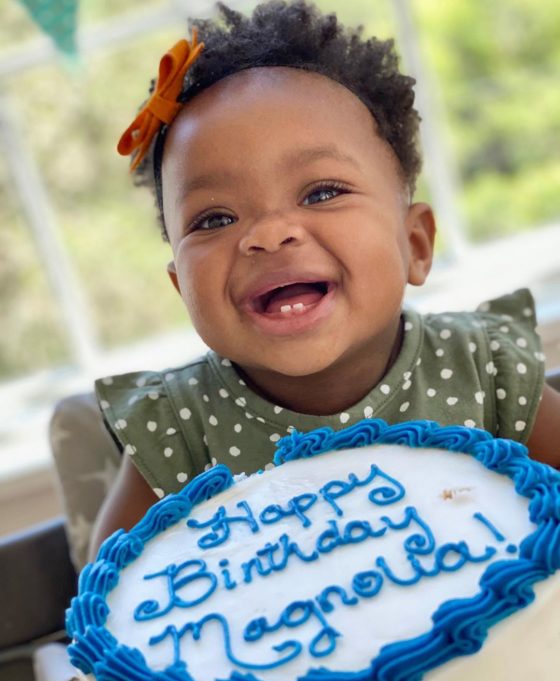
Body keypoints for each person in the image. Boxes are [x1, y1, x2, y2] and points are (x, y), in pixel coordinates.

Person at [89, 0, 560, 559]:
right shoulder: (177, 429)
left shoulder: (482, 366)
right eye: (214, 219)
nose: (269, 234)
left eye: (321, 192)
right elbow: (112, 600)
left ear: (414, 245)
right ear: (180, 288)